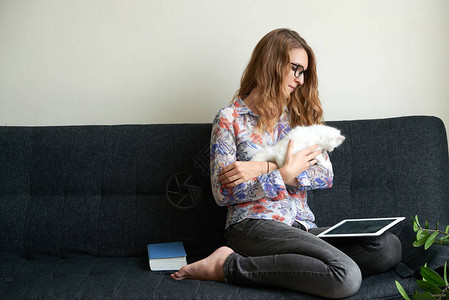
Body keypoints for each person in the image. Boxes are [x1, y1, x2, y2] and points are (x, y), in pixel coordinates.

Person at [170, 28, 402, 299]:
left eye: (303, 72)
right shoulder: (229, 119)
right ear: (271, 62)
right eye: (295, 68)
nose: (300, 79)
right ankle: (226, 265)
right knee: (346, 277)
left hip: (301, 226)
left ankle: (306, 267)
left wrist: (268, 169)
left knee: (388, 246)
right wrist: (283, 174)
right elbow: (223, 194)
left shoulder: (297, 119)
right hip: (252, 225)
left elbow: (325, 175)